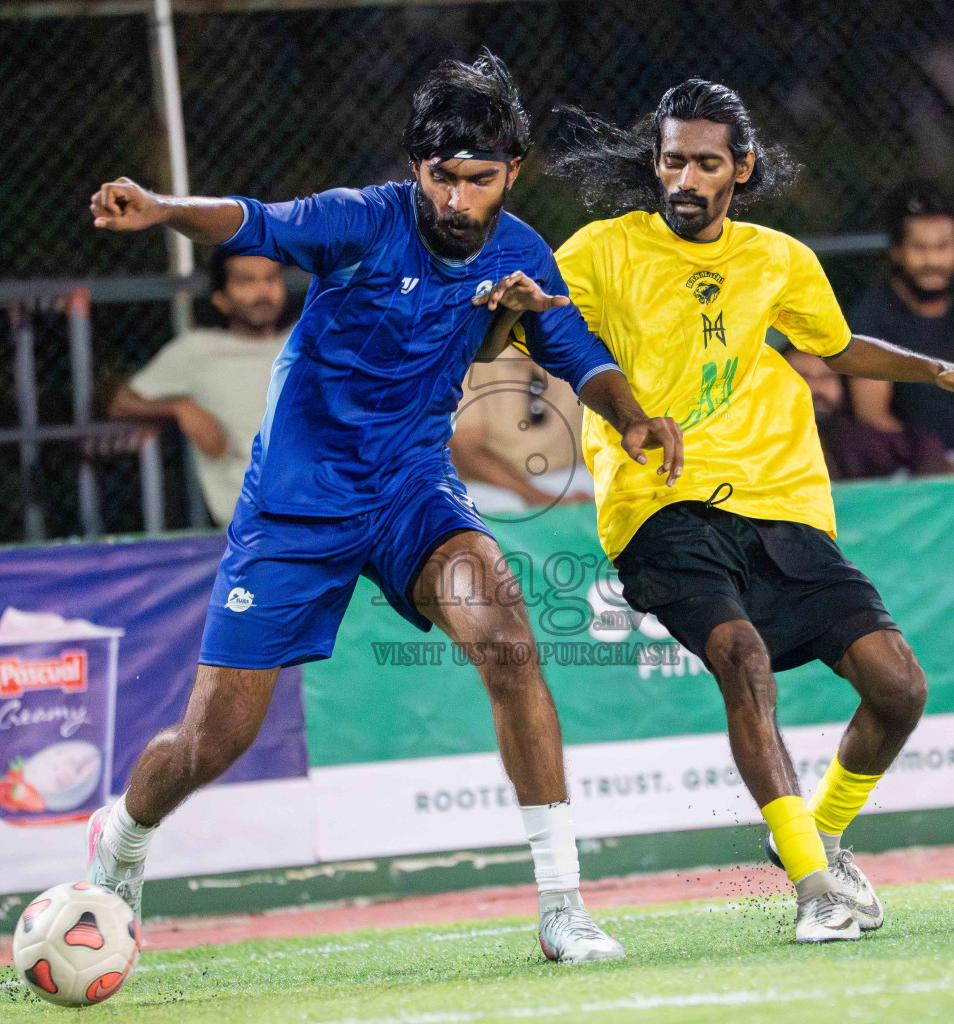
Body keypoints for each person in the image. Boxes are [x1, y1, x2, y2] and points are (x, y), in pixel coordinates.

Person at [83, 51, 684, 964]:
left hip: (411, 489)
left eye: (478, 180)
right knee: (215, 738)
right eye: (441, 177)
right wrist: (167, 210)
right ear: (417, 169)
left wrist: (631, 415)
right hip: (295, 505)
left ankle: (562, 905)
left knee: (508, 638)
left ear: (509, 174)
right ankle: (120, 839)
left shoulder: (521, 251)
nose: (456, 199)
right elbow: (253, 221)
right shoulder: (364, 221)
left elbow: (574, 345)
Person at [517, 80, 954, 942]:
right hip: (658, 502)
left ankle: (824, 833)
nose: (685, 178)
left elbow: (837, 346)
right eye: (671, 160)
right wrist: (500, 307)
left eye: (705, 162)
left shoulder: (778, 258)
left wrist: (938, 371)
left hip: (782, 499)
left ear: (742, 168)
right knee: (742, 657)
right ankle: (815, 889)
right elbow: (530, 322)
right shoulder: (598, 251)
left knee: (900, 687)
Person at [108, 251, 292, 525]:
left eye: (271, 278)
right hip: (257, 520)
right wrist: (179, 407)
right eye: (246, 281)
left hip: (334, 506)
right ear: (221, 298)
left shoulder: (309, 340)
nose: (263, 291)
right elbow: (119, 403)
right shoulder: (197, 350)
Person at [847, 181, 954, 474]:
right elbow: (872, 415)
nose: (932, 260)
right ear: (897, 251)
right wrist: (929, 458)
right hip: (902, 459)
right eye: (920, 248)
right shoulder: (871, 315)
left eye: (942, 247)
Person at [449, 349, 594, 513]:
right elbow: (469, 456)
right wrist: (541, 498)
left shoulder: (586, 349)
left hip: (578, 476)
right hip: (499, 486)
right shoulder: (467, 360)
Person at [784, 348, 950, 480]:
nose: (816, 387)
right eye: (801, 376)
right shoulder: (762, 442)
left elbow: (926, 451)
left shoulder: (862, 440)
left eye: (826, 376)